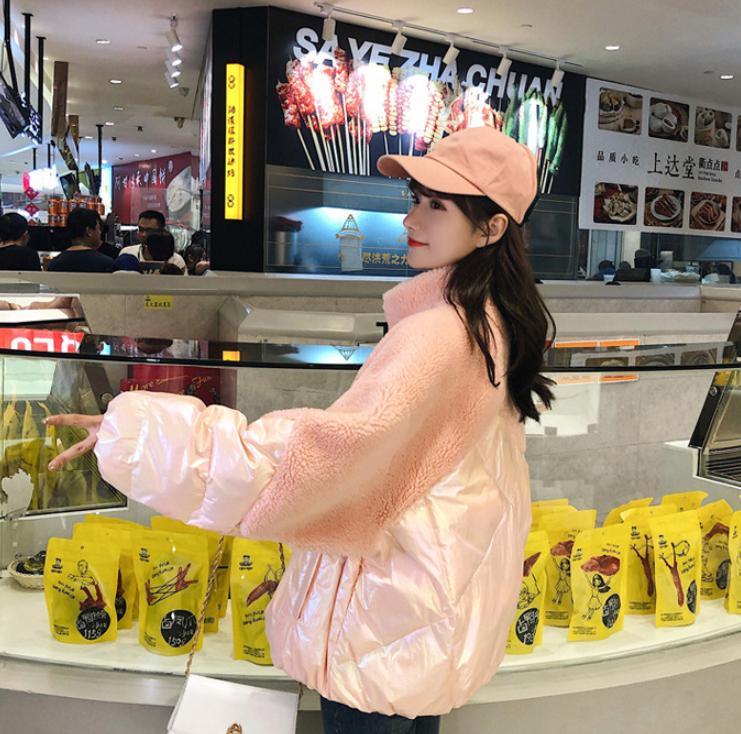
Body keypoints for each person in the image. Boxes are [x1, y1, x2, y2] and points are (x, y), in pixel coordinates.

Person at [45, 127, 554, 733]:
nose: (411, 218)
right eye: (416, 198)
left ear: (491, 228)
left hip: (384, 619)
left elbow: (318, 456)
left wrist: (135, 433)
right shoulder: (493, 318)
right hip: (429, 609)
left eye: (437, 205)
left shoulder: (439, 332)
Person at [46, 208, 116, 273]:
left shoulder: (54, 265)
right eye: (98, 228)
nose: (100, 232)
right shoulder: (106, 264)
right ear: (89, 231)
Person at [119, 210, 186, 271]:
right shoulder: (127, 253)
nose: (143, 234)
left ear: (162, 231)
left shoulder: (176, 260)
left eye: (149, 231)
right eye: (141, 229)